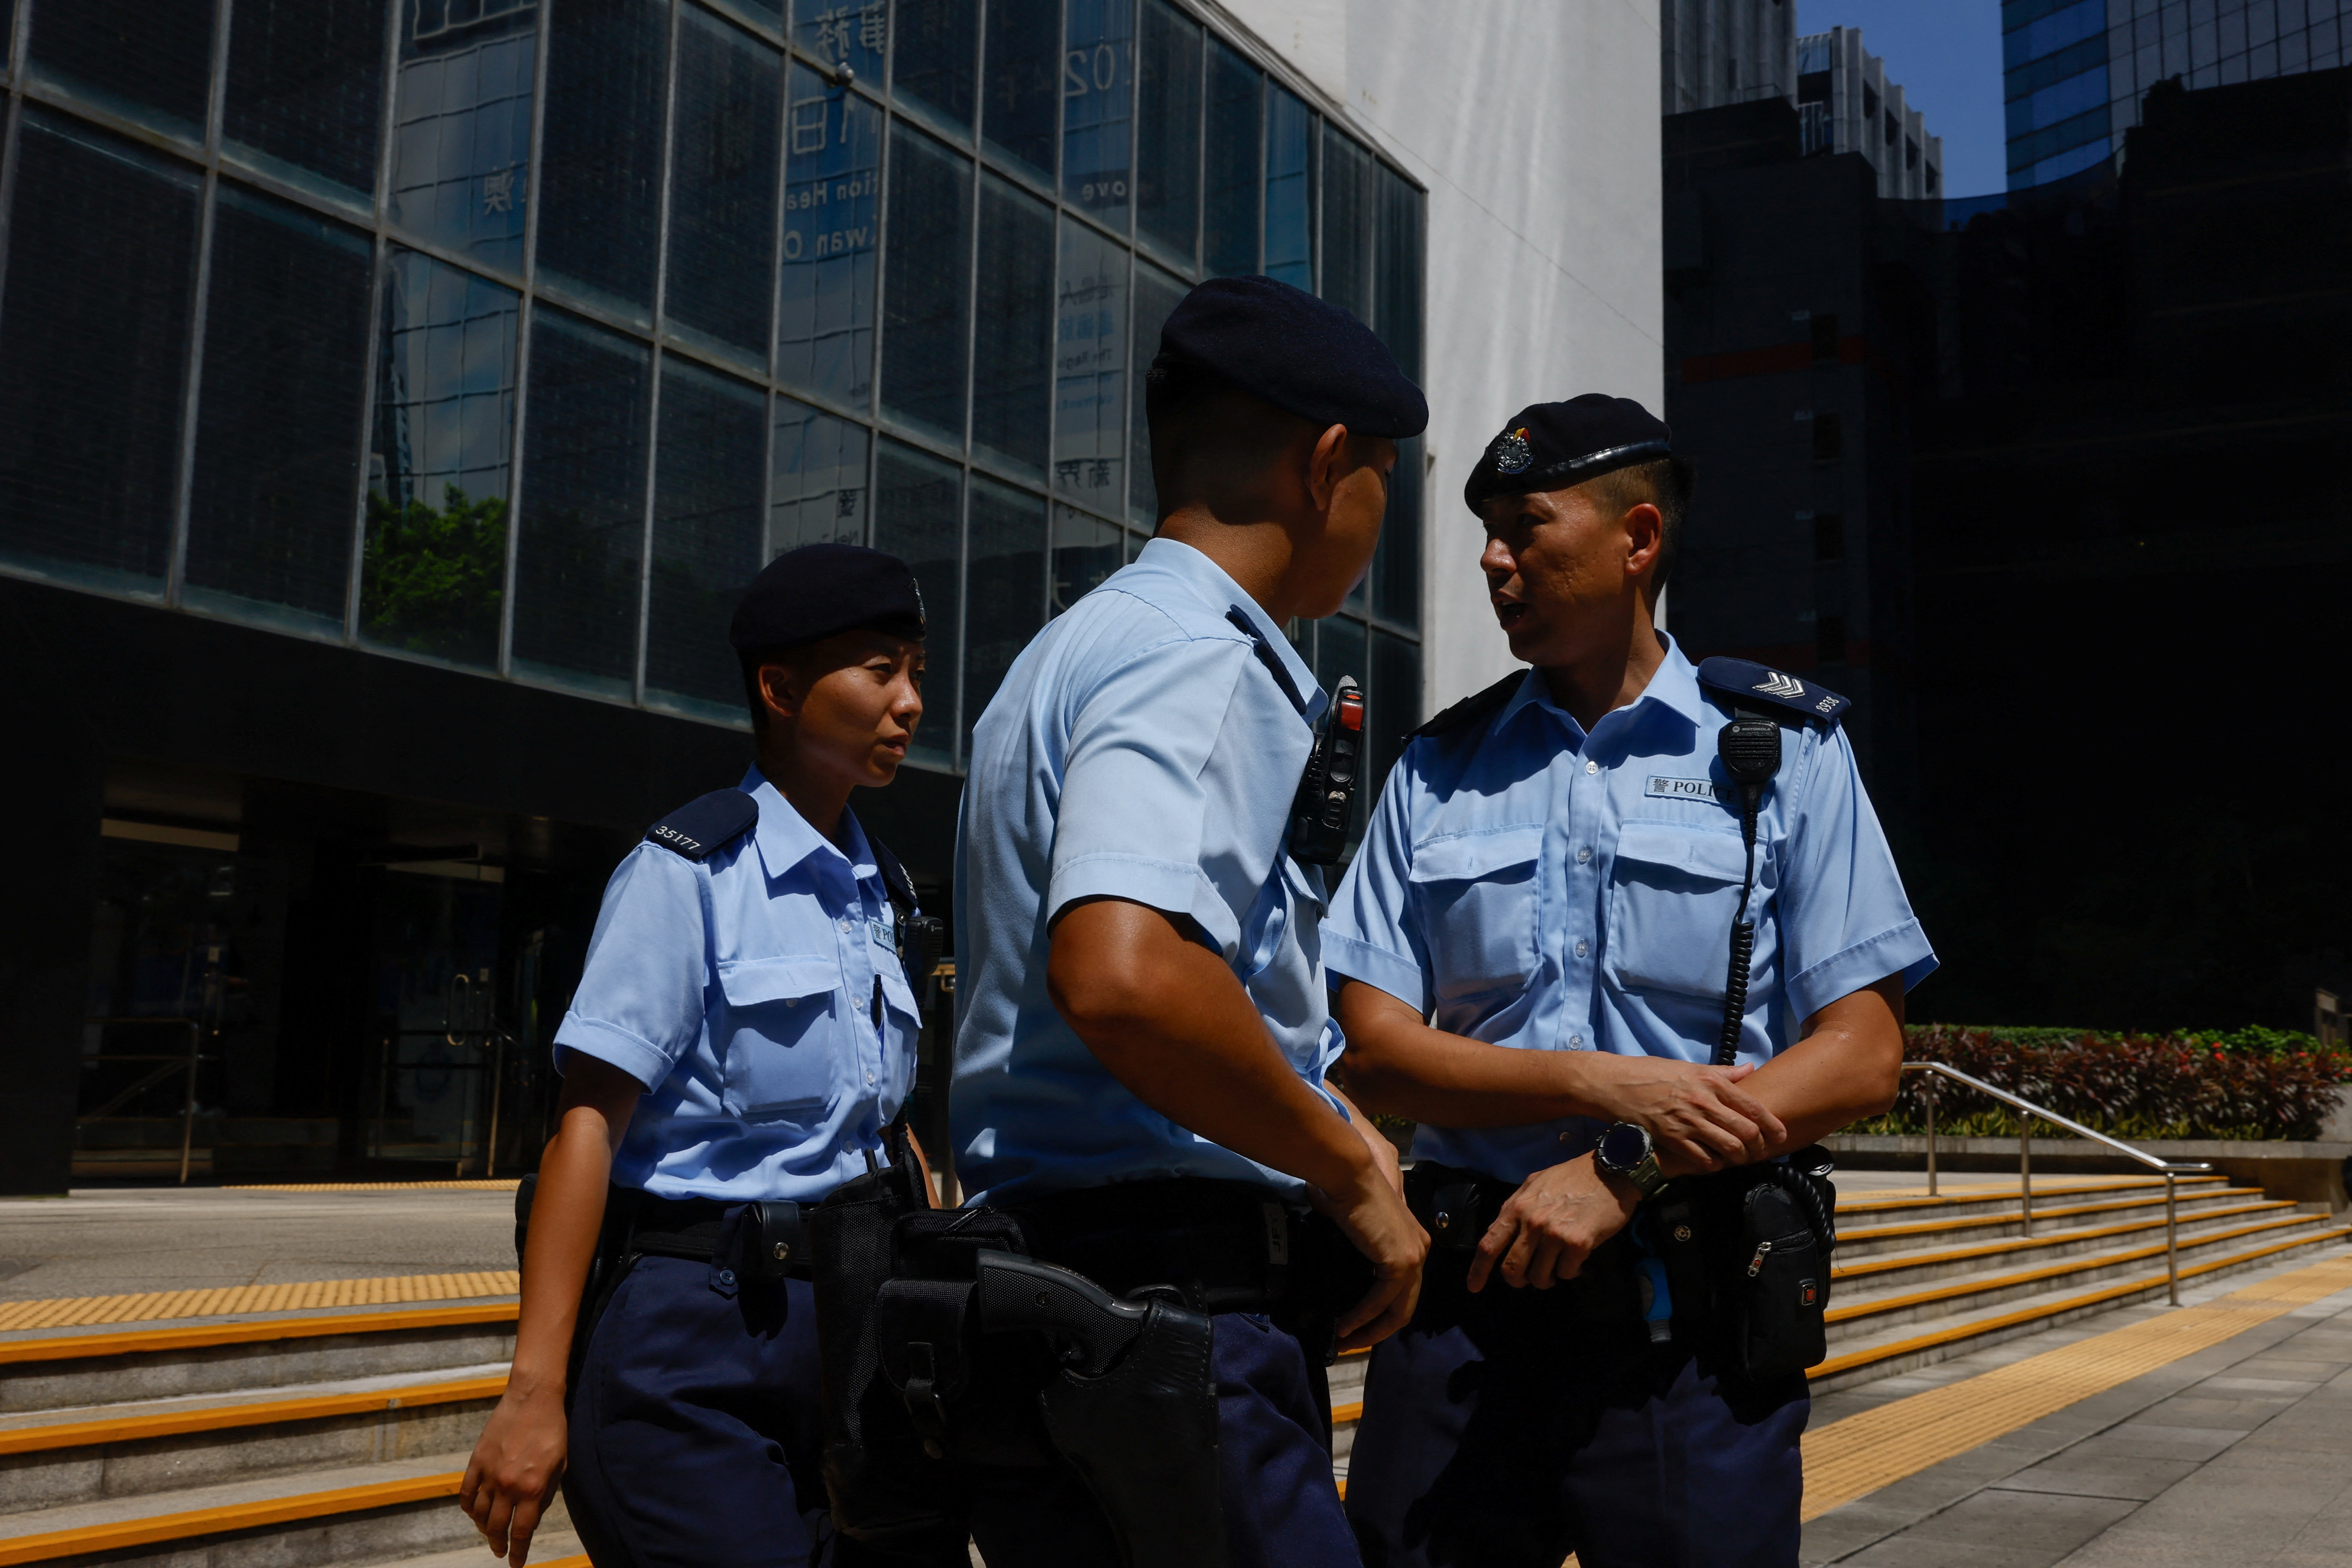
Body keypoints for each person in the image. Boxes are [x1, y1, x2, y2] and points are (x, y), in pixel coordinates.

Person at [1326, 396, 1938, 1568]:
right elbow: (1371, 1046)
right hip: (1462, 1323)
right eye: (1486, 532)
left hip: (1692, 1339)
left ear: (1637, 539)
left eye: (1524, 525)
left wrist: (1628, 1160)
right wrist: (1604, 1084)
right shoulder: (1437, 769)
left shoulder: (1777, 751)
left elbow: (1860, 1051)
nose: (1492, 560)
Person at [948, 274, 1432, 1568]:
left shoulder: (1066, 651)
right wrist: (1343, 1166)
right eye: (1386, 474)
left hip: (1047, 1298)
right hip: (1174, 1316)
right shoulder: (1206, 657)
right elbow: (1125, 974)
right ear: (1329, 464)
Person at [458, 542, 940, 1568]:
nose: (908, 702)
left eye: (916, 674)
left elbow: (883, 1128)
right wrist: (533, 1391)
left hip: (857, 1335)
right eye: (877, 669)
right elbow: (587, 1124)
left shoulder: (886, 892)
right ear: (779, 687)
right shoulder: (687, 873)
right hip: (693, 1339)